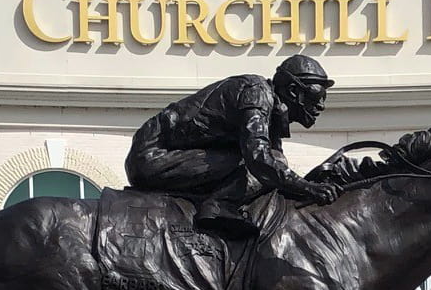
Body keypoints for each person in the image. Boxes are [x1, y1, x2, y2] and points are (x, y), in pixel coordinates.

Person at [125, 55, 339, 239]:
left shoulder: (271, 109)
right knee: (262, 161)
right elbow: (259, 159)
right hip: (152, 157)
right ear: (293, 91)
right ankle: (218, 207)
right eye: (316, 96)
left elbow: (274, 164)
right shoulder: (257, 93)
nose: (321, 106)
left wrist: (306, 187)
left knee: (273, 162)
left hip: (175, 156)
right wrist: (307, 187)